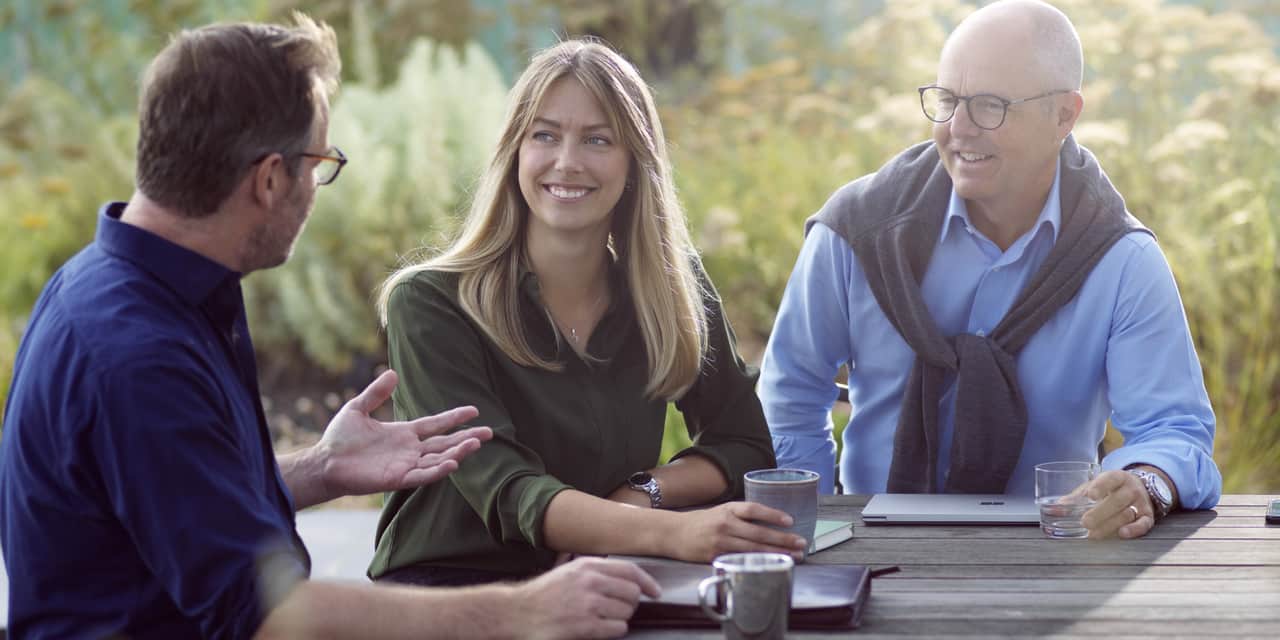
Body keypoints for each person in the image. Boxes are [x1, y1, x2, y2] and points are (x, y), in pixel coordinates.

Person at [0, 16, 660, 639]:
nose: (318, 186)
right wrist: (521, 611)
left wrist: (323, 468)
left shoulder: (126, 284)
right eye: (318, 166)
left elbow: (169, 509)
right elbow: (265, 616)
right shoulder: (138, 358)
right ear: (267, 179)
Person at [758, 0, 1221, 539]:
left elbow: (1174, 430)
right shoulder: (855, 233)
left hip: (1056, 553)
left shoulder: (1121, 259)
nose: (959, 129)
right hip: (868, 548)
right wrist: (817, 528)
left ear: (1064, 116)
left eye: (990, 106)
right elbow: (790, 395)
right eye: (949, 100)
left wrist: (1147, 481)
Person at [370, 38, 804, 587]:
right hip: (452, 589)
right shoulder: (430, 303)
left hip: (605, 574)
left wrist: (643, 493)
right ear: (515, 153)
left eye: (598, 140)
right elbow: (509, 491)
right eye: (544, 135)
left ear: (634, 164)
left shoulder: (673, 289)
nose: (567, 162)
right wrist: (671, 533)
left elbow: (744, 444)